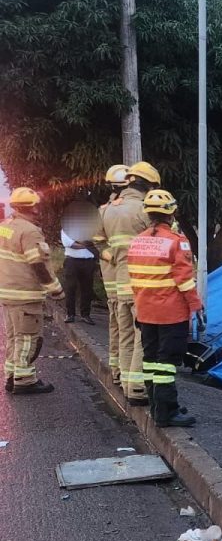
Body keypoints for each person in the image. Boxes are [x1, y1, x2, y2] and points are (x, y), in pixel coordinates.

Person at [127, 189, 203, 427]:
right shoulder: (177, 242)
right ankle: (166, 413)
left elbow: (135, 278)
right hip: (170, 314)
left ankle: (158, 405)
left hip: (145, 311)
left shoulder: (137, 241)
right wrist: (197, 306)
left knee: (150, 361)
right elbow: (184, 280)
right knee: (166, 364)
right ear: (171, 213)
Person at [0, 187, 64, 394]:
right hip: (25, 294)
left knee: (14, 337)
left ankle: (12, 375)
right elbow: (38, 264)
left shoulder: (5, 226)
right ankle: (24, 379)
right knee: (28, 338)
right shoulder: (29, 231)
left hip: (8, 292)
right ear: (34, 207)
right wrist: (55, 290)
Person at [102, 161, 156, 404]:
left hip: (119, 282)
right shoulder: (145, 209)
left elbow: (99, 244)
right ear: (148, 186)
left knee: (124, 335)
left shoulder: (108, 210)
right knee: (142, 336)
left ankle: (125, 381)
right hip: (141, 284)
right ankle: (136, 388)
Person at [93, 164, 129, 382]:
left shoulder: (104, 210)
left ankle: (116, 371)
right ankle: (127, 375)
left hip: (111, 279)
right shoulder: (140, 208)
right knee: (129, 330)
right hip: (130, 280)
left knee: (115, 324)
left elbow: (96, 242)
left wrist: (111, 257)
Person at [60, 220, 97, 325]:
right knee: (70, 288)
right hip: (72, 261)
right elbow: (69, 244)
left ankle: (85, 315)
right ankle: (70, 314)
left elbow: (96, 242)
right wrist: (87, 244)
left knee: (87, 289)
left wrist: (80, 242)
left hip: (88, 261)